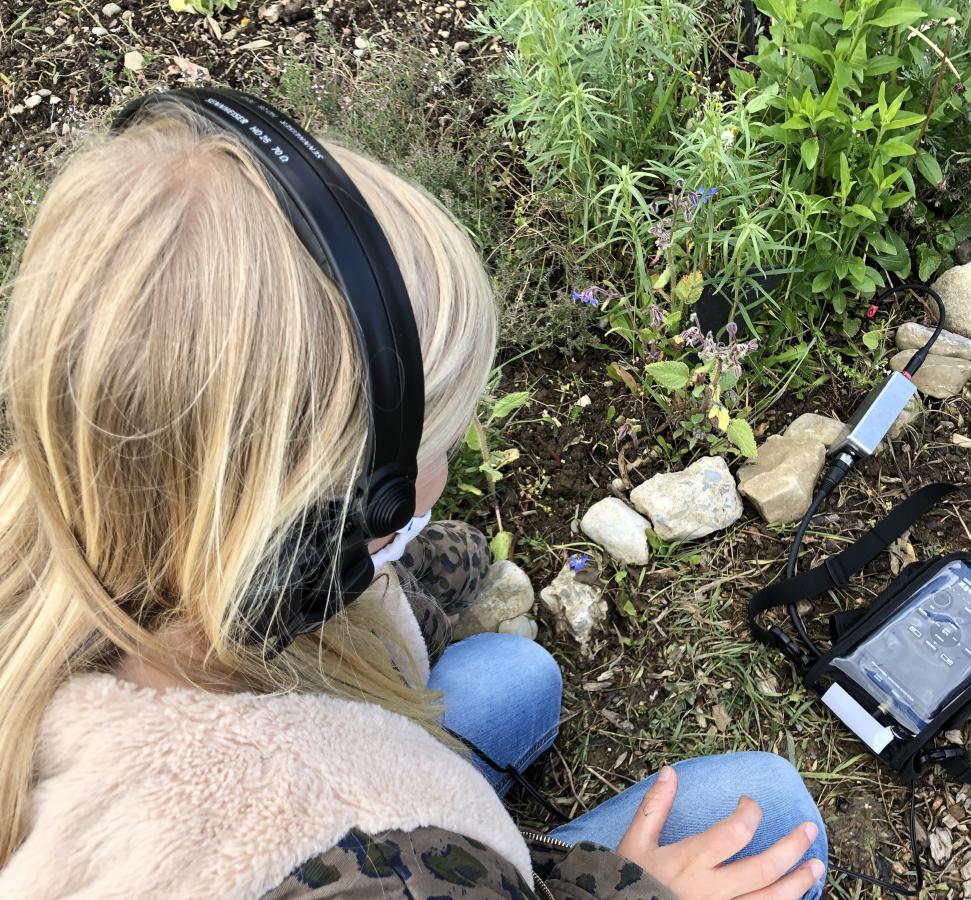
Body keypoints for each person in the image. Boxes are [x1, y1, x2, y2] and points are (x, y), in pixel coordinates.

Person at [0, 93, 828, 899]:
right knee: (773, 803)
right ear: (337, 525)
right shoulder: (362, 849)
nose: (450, 463)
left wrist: (398, 583)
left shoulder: (52, 522)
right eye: (435, 447)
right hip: (373, 835)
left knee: (517, 675)